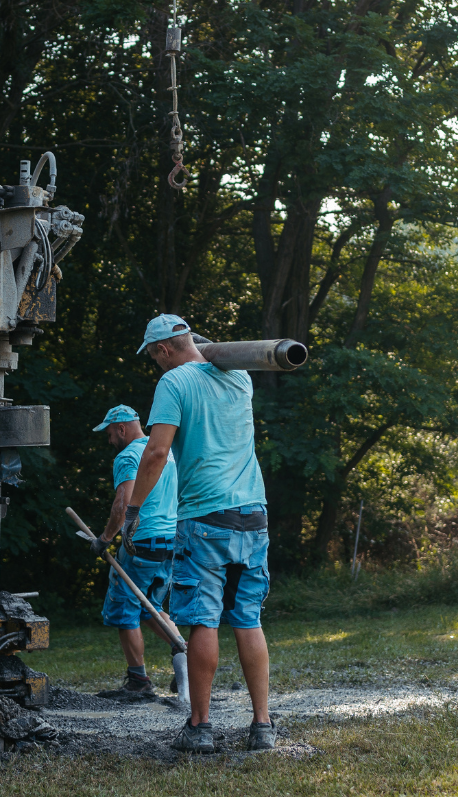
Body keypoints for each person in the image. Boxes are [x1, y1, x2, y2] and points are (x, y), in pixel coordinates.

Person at [126, 314, 275, 753]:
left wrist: (134, 508)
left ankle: (200, 727)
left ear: (164, 349)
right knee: (248, 618)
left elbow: (156, 451)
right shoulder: (240, 376)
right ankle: (262, 726)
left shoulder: (174, 383)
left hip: (205, 517)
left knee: (203, 620)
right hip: (253, 512)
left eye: (154, 356)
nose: (155, 364)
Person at [92, 404, 181, 699]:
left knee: (124, 610)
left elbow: (123, 504)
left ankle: (138, 682)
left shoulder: (129, 455)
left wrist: (104, 539)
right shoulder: (167, 452)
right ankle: (188, 660)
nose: (109, 440)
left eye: (109, 433)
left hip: (141, 543)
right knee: (150, 609)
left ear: (121, 428)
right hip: (170, 542)